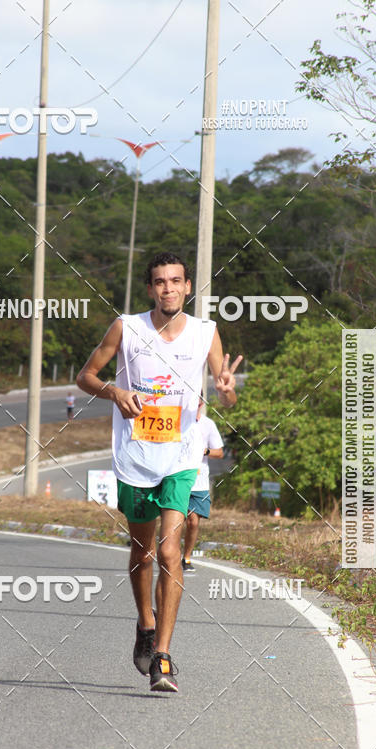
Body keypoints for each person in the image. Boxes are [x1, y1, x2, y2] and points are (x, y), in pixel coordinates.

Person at [77, 251, 241, 692]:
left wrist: (227, 392)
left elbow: (224, 390)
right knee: (142, 553)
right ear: (150, 289)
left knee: (171, 554)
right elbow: (85, 376)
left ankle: (163, 656)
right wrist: (113, 392)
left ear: (188, 287)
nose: (169, 288)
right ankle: (145, 624)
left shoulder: (207, 332)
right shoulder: (126, 328)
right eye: (160, 282)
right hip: (134, 459)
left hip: (181, 459)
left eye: (176, 281)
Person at [182, 402, 224, 574]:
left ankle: (186, 557)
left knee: (193, 522)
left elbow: (219, 452)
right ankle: (168, 555)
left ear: (200, 401)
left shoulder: (208, 424)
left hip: (199, 482)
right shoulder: (178, 421)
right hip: (178, 478)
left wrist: (204, 451)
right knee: (175, 522)